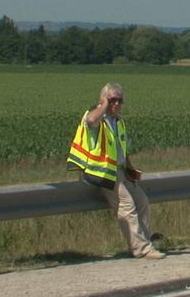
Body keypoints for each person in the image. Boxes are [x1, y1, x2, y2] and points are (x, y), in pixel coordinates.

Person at [67, 82, 166, 259]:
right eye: (112, 100)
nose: (117, 104)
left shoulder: (119, 122)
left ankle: (145, 241)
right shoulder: (97, 118)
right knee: (126, 206)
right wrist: (103, 106)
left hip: (120, 170)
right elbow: (90, 121)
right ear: (103, 99)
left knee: (142, 201)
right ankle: (141, 249)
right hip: (102, 172)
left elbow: (121, 149)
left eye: (120, 101)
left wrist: (130, 167)